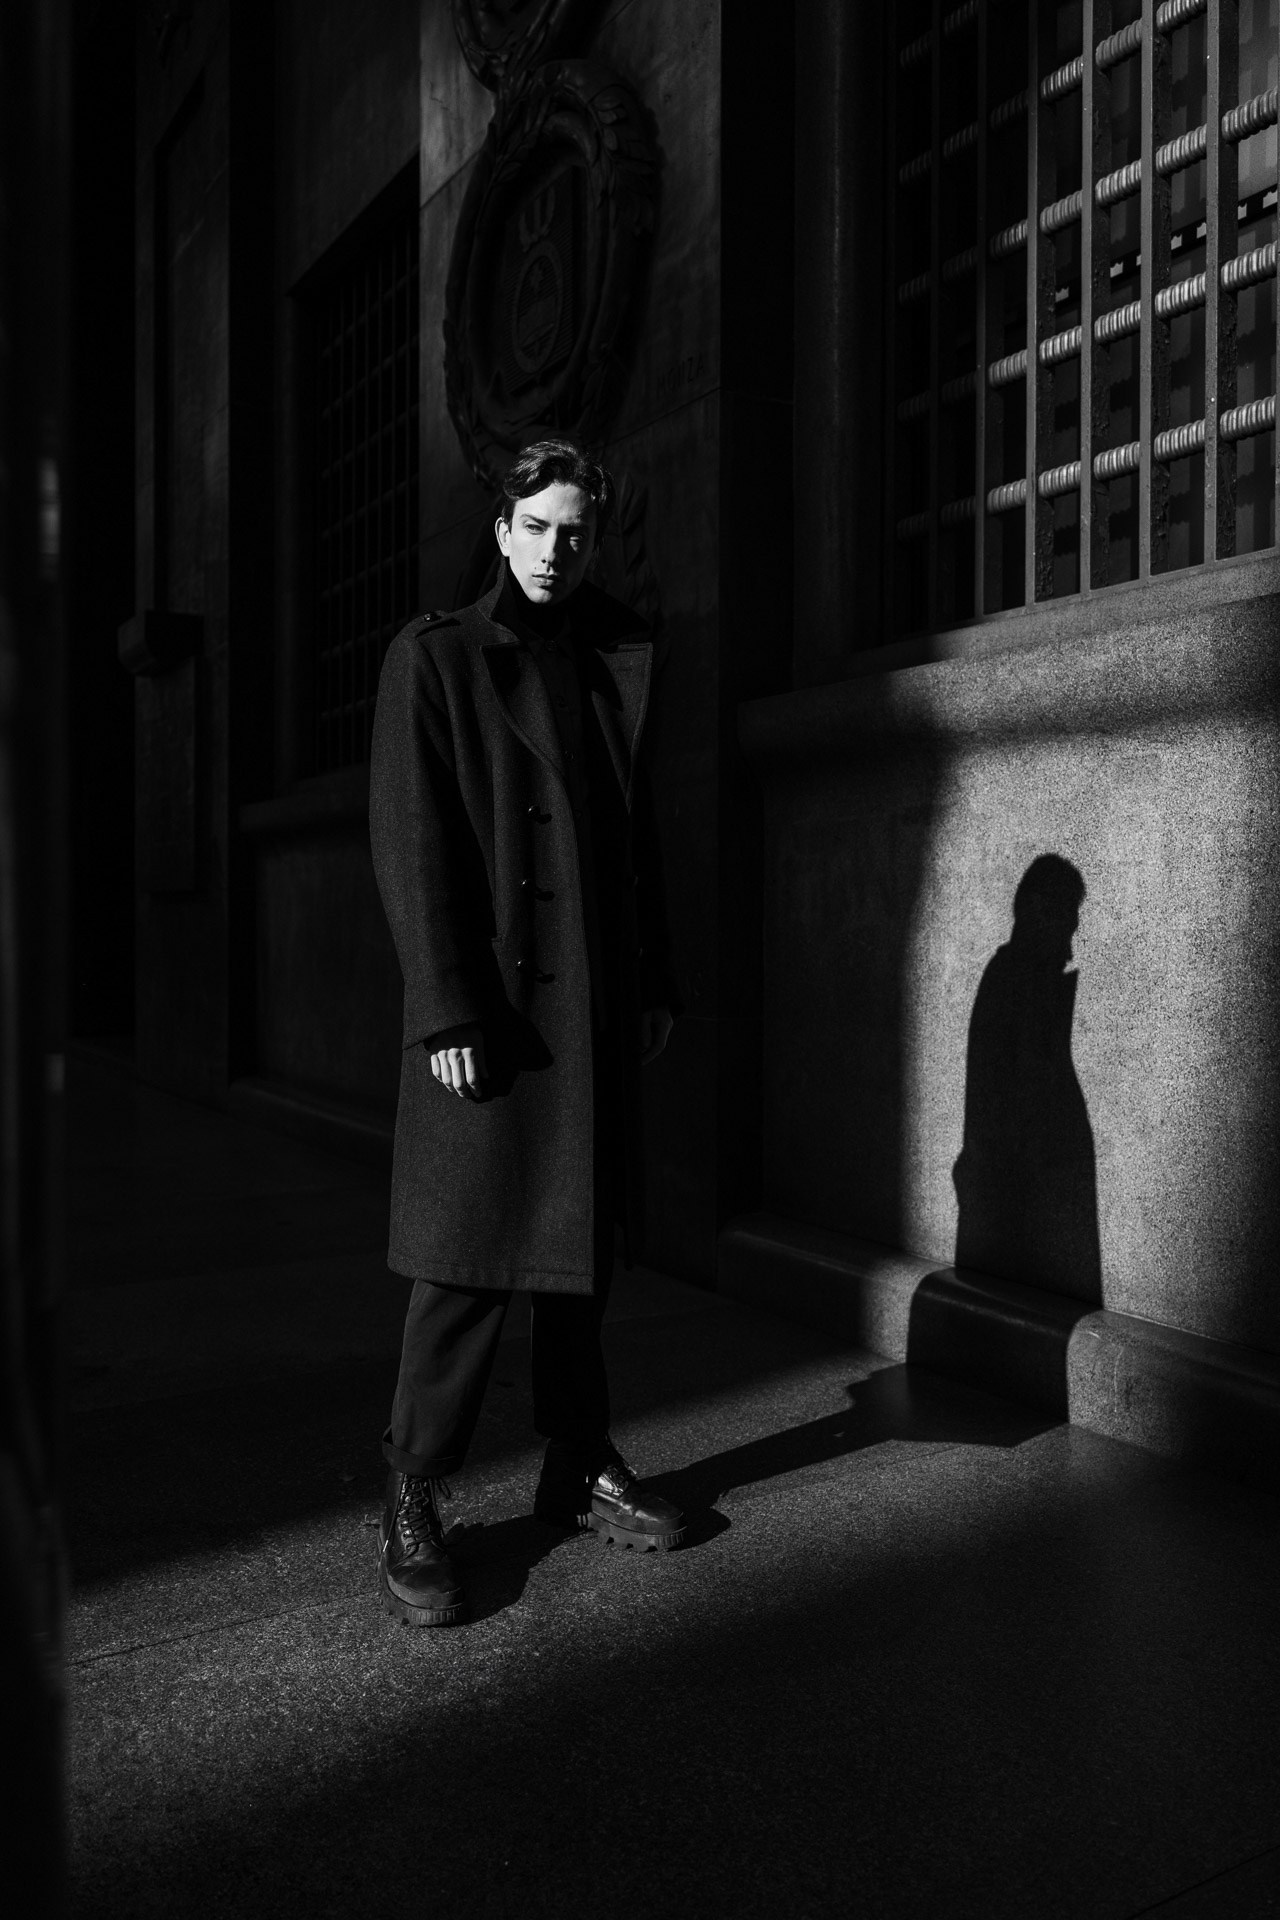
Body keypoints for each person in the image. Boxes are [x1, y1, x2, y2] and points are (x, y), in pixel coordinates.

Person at [368, 437, 684, 1628]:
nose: (556, 549)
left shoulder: (608, 658)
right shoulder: (436, 656)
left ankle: (576, 1461)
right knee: (461, 1264)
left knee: (575, 1261)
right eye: (536, 526)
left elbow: (631, 834)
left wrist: (651, 978)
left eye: (574, 530)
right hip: (492, 1010)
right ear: (501, 528)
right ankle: (411, 1490)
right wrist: (445, 1004)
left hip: (590, 1004)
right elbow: (413, 843)